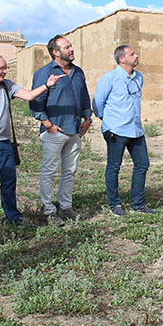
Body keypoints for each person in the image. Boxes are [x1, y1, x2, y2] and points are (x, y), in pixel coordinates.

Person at [0, 55, 63, 227]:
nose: (5, 71)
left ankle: (13, 217)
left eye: (5, 68)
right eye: (1, 68)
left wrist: (47, 85)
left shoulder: (7, 85)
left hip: (4, 143)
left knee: (9, 182)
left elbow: (29, 96)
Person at [30, 35, 92, 226]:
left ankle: (66, 206)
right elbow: (36, 101)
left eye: (71, 46)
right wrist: (47, 124)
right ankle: (48, 209)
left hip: (74, 130)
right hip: (54, 131)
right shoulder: (45, 73)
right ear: (56, 52)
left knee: (70, 170)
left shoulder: (78, 72)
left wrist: (87, 118)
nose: (71, 49)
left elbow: (84, 97)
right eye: (67, 47)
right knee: (49, 170)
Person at [92, 45, 157, 217]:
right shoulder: (110, 78)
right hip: (116, 130)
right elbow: (98, 101)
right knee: (114, 167)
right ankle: (115, 204)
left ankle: (138, 204)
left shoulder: (138, 77)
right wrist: (105, 120)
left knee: (142, 164)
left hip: (135, 130)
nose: (136, 56)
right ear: (122, 59)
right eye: (132, 54)